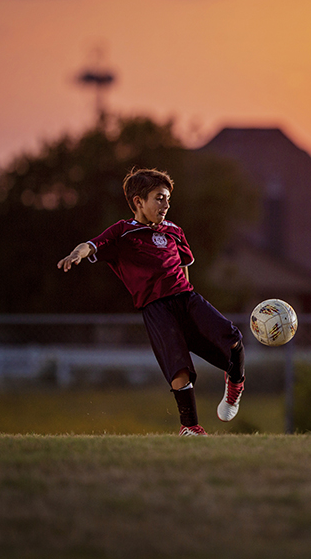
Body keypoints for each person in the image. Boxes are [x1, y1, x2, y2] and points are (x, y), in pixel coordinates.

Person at [56, 167, 245, 436]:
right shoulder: (124, 231)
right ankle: (190, 427)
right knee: (179, 370)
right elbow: (90, 245)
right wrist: (77, 254)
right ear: (138, 202)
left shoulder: (174, 231)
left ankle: (235, 384)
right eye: (159, 198)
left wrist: (189, 299)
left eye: (168, 198)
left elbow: (183, 265)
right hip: (156, 309)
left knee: (234, 341)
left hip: (187, 299)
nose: (166, 204)